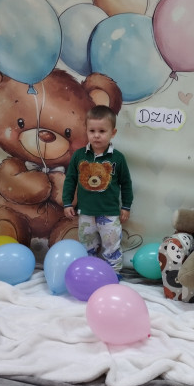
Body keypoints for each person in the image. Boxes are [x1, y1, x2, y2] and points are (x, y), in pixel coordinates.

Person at [62, 105, 133, 273]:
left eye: (102, 131)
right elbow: (70, 180)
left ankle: (114, 273)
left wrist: (126, 206)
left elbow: (126, 183)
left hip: (110, 213)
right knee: (87, 245)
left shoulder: (118, 158)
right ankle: (89, 271)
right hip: (86, 213)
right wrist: (67, 203)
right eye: (92, 131)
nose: (96, 135)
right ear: (86, 131)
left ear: (112, 133)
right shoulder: (79, 156)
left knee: (112, 245)